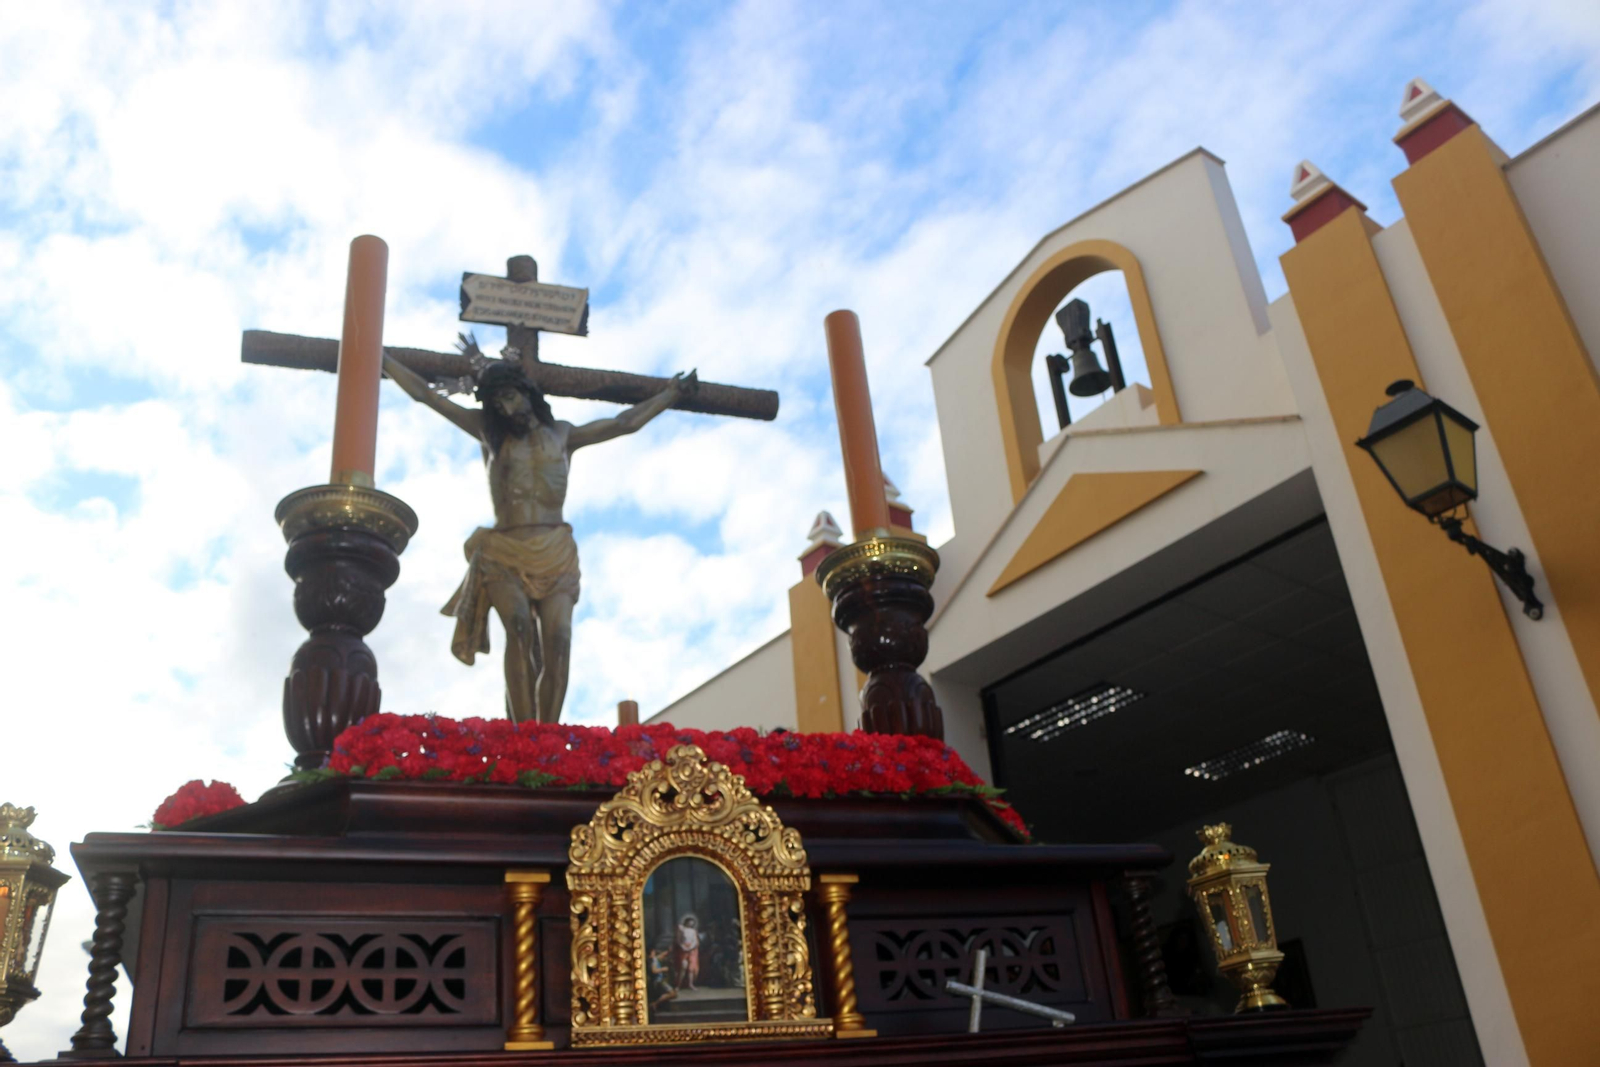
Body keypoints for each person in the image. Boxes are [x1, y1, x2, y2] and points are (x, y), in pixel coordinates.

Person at [384, 346, 695, 723]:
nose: (506, 409)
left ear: (527, 393)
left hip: (555, 549)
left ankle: (547, 737)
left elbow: (625, 422)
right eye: (497, 403)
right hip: (504, 549)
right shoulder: (489, 434)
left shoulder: (563, 435)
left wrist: (670, 394)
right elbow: (426, 396)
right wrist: (381, 358)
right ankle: (524, 735)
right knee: (517, 630)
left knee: (559, 642)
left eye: (510, 397)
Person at [673, 913, 700, 991]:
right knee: (683, 966)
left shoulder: (693, 931)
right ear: (686, 922)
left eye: (692, 922)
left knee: (691, 968)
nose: (691, 923)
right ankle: (678, 985)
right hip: (683, 949)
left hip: (691, 950)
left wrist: (691, 947)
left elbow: (695, 941)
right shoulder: (681, 929)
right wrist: (683, 947)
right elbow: (678, 940)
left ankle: (690, 984)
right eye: (690, 921)